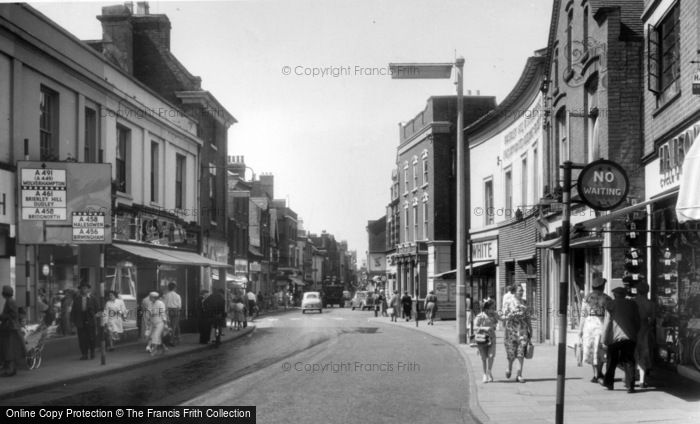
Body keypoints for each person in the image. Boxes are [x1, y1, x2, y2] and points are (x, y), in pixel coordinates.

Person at [602, 286, 640, 393]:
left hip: (614, 337)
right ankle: (630, 385)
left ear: (614, 295)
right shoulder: (632, 304)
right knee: (629, 360)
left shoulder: (610, 305)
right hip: (630, 337)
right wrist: (635, 332)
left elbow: (607, 322)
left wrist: (604, 338)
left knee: (612, 361)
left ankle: (609, 383)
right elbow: (637, 321)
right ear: (624, 294)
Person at [578, 277, 612, 383]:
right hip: (601, 324)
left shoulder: (587, 298)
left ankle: (595, 374)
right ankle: (599, 372)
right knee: (600, 349)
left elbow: (583, 314)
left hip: (589, 325)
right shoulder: (607, 298)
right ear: (602, 286)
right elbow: (609, 315)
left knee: (592, 350)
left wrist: (580, 330)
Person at [500, 284, 532, 383]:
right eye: (519, 290)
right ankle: (509, 367)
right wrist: (512, 315)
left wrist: (530, 328)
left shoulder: (525, 303)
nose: (522, 292)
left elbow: (528, 316)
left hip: (522, 330)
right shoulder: (508, 302)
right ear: (514, 292)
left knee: (521, 352)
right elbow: (503, 316)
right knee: (511, 353)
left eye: (522, 290)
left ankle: (519, 374)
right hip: (511, 330)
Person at [70, 281, 100, 360]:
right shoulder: (77, 299)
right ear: (80, 290)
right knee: (82, 339)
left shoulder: (93, 298)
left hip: (90, 320)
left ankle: (92, 352)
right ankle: (84, 354)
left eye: (85, 288)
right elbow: (73, 311)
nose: (84, 290)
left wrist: (95, 317)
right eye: (82, 288)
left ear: (88, 290)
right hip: (80, 320)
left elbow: (98, 310)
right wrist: (73, 322)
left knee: (91, 337)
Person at [634, 282, 656, 388]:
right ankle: (642, 380)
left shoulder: (633, 302)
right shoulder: (650, 304)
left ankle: (634, 376)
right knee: (644, 353)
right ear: (647, 291)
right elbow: (652, 319)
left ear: (637, 291)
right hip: (645, 330)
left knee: (634, 353)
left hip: (633, 330)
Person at [0, 286, 25, 376]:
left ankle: (10, 370)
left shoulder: (9, 301)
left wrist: (2, 316)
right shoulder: (11, 301)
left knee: (8, 349)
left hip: (9, 329)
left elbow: (12, 315)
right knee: (10, 349)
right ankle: (12, 369)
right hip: (12, 328)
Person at [474, 298, 498, 383]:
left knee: (491, 356)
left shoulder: (494, 315)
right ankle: (484, 374)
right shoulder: (480, 316)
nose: (493, 310)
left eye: (494, 308)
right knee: (484, 358)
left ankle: (489, 372)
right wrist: (484, 328)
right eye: (492, 308)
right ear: (486, 308)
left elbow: (502, 319)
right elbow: (474, 327)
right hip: (482, 339)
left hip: (491, 338)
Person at [144, 291, 168, 356]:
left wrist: (165, 323)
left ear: (154, 297)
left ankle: (154, 350)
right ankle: (164, 348)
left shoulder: (160, 303)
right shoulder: (150, 303)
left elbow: (163, 313)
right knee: (153, 336)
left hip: (160, 322)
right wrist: (148, 321)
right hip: (152, 322)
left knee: (156, 335)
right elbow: (148, 313)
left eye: (151, 297)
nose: (149, 298)